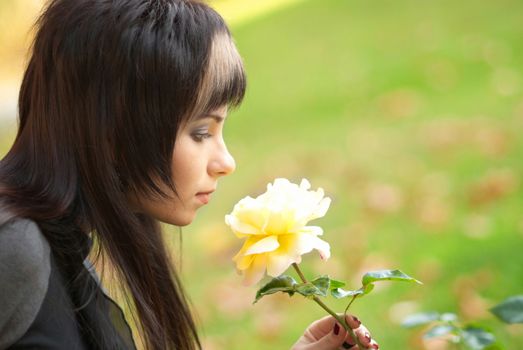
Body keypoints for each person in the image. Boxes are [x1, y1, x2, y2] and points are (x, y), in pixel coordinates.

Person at [0, 0, 379, 349]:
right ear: (113, 129)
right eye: (201, 132)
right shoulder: (14, 248)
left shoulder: (56, 240)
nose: (226, 162)